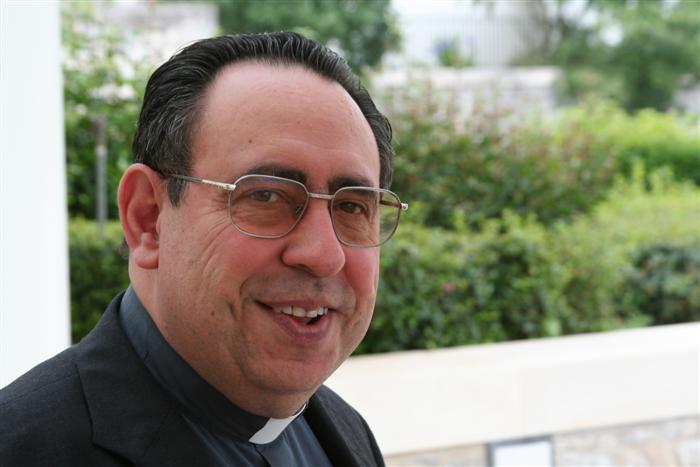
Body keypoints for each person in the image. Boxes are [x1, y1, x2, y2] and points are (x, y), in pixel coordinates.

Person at [0, 32, 408, 466]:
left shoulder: (346, 432)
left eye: (352, 206)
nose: (325, 255)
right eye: (266, 196)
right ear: (148, 218)